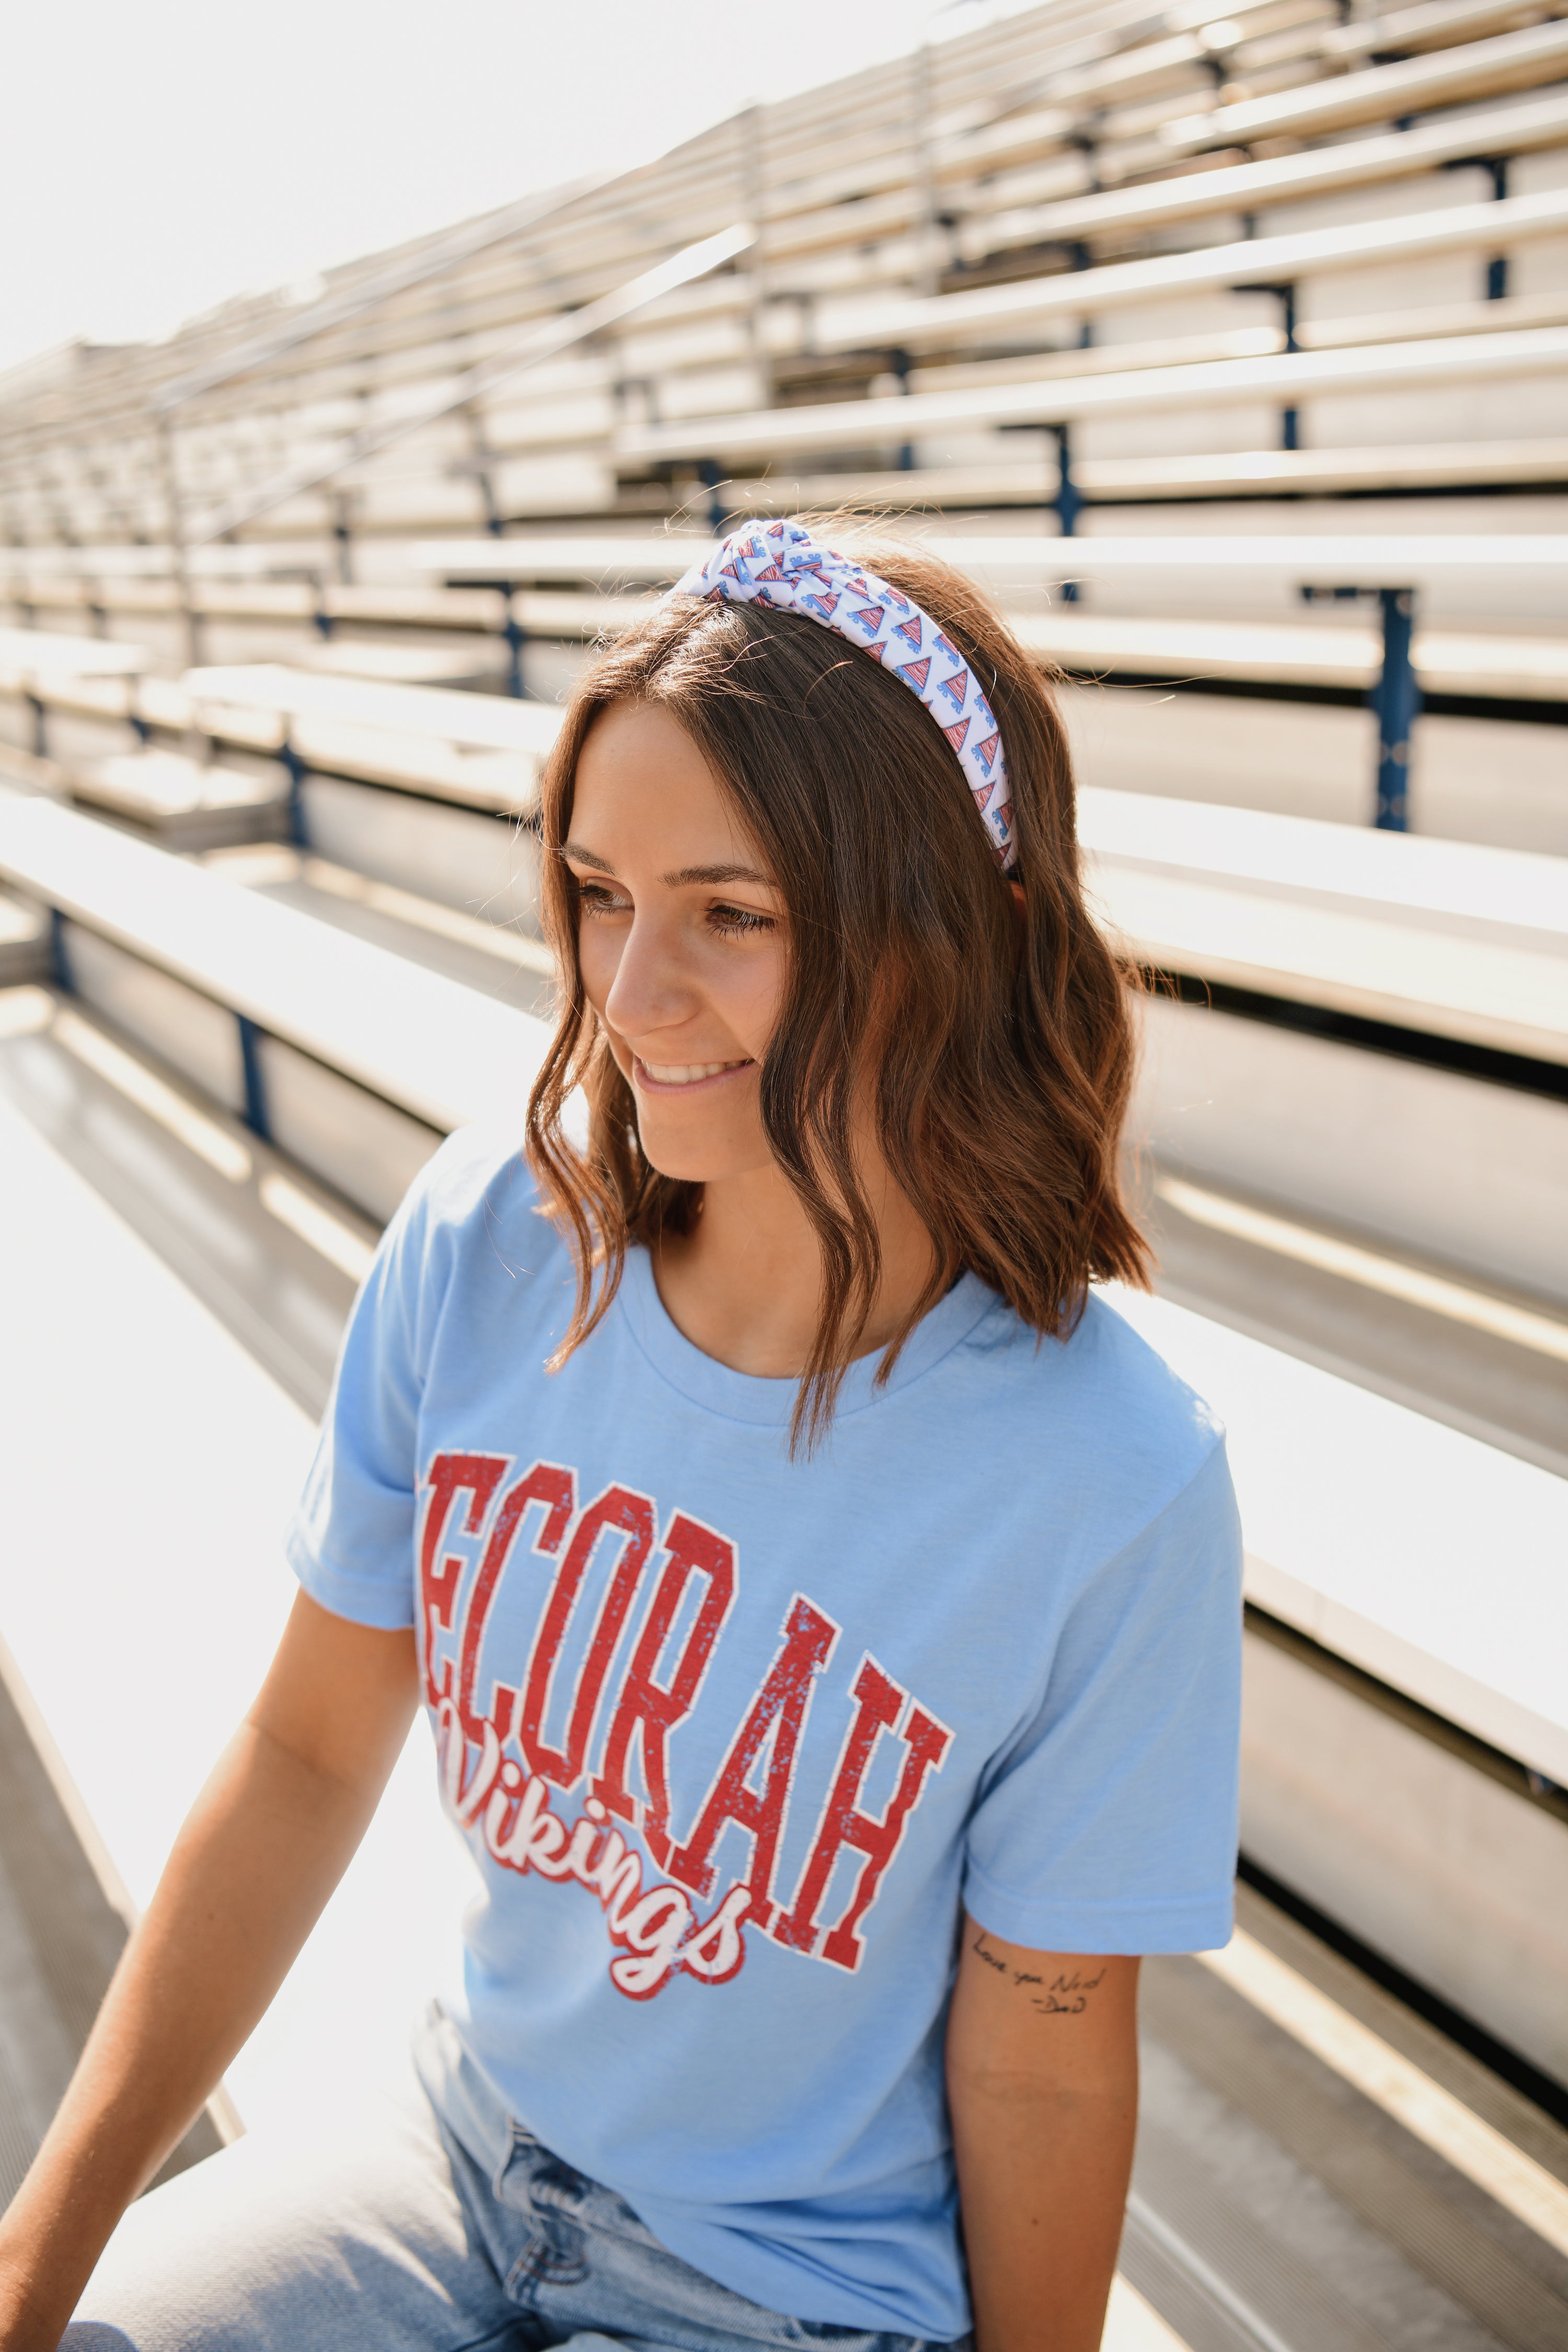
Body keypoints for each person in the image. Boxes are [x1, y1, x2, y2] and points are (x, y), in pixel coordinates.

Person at [0, 519, 1242, 2352]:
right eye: (601, 892)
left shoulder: (1114, 1478)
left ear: (944, 934)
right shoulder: (492, 1236)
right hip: (458, 2154)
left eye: (731, 914)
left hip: (794, 2298)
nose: (631, 993)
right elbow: (301, 1754)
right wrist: (37, 2263)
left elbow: (1046, 2060)